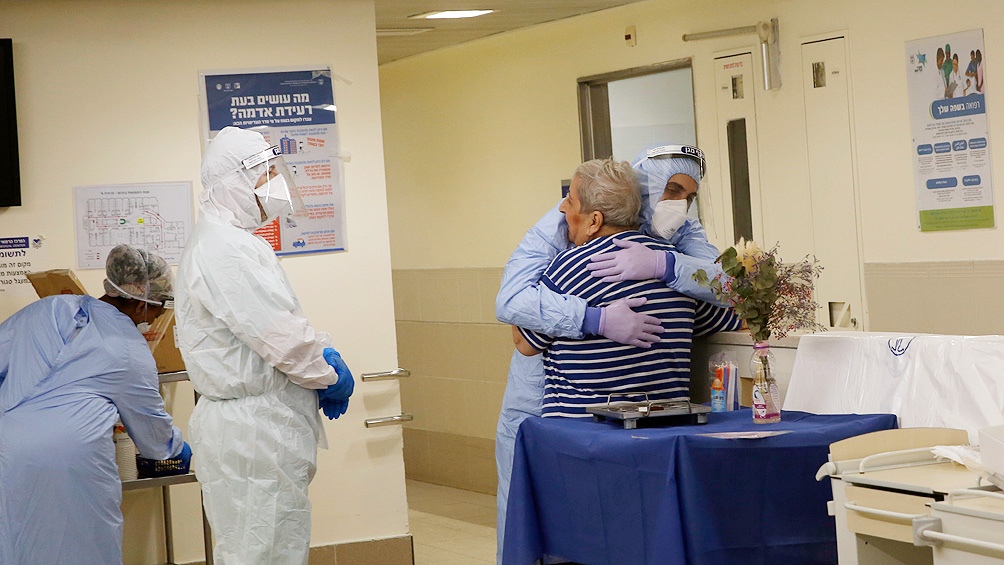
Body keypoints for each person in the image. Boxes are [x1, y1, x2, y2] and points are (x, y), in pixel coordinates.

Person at [493, 144, 735, 563]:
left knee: (562, 533)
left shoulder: (579, 268)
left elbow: (525, 337)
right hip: (603, 424)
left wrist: (665, 266)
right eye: (672, 190)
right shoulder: (561, 225)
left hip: (582, 433)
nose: (680, 204)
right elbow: (512, 303)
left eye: (689, 196)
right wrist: (596, 317)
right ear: (643, 188)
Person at [175, 126, 354, 564]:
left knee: (257, 550)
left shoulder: (227, 242)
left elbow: (272, 325)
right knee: (265, 553)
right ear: (233, 182)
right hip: (256, 434)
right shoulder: (226, 249)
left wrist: (320, 355)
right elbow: (281, 339)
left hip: (254, 429)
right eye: (265, 174)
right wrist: (327, 373)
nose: (275, 183)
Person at [0, 244, 189, 565]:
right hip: (72, 460)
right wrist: (179, 448)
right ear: (140, 302)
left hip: (8, 449)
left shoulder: (49, 308)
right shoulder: (130, 351)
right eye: (160, 307)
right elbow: (154, 438)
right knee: (81, 546)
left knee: (17, 539)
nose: (159, 316)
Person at [513, 158, 741, 417]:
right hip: (664, 430)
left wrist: (533, 275)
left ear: (594, 220)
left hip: (582, 432)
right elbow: (734, 315)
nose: (562, 208)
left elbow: (524, 343)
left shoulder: (566, 270)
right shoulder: (678, 268)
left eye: (571, 201)